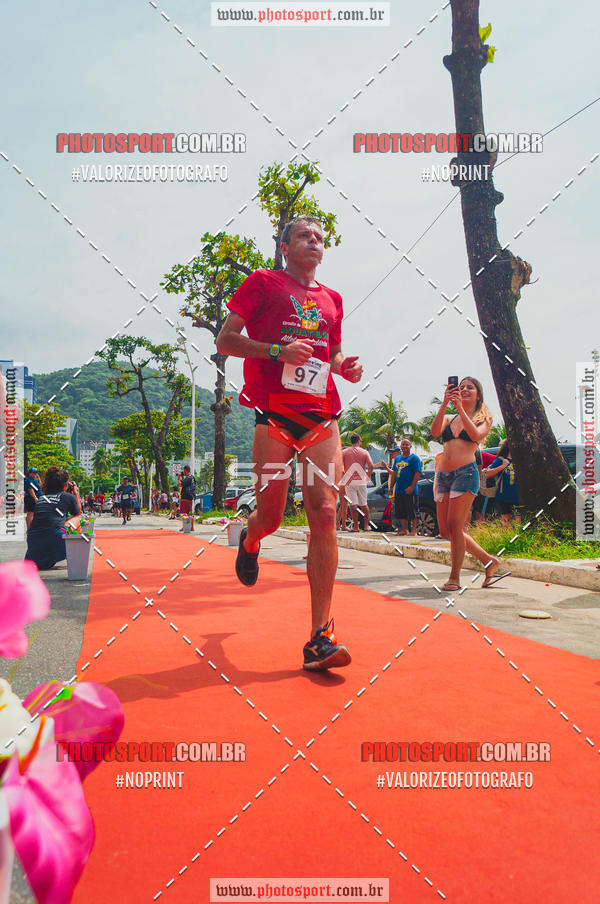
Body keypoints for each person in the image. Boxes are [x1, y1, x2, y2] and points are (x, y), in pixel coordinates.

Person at [216, 215, 363, 670]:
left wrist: (343, 365)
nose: (314, 242)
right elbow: (226, 340)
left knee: (323, 512)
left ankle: (320, 636)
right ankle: (251, 538)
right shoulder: (262, 283)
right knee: (274, 517)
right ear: (284, 246)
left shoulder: (332, 299)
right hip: (273, 416)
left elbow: (331, 350)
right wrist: (277, 351)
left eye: (320, 238)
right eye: (305, 235)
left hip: (321, 416)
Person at [430, 377, 511, 591]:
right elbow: (435, 432)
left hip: (465, 474)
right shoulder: (450, 416)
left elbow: (475, 435)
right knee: (446, 531)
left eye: (470, 387)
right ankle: (488, 560)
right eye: (462, 386)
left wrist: (460, 408)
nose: (465, 389)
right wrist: (446, 403)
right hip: (443, 476)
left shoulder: (483, 417)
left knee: (456, 527)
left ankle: (455, 578)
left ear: (478, 394)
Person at [25, 467, 81, 569]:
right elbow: (78, 513)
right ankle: (74, 556)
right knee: (80, 519)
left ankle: (47, 555)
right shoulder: (68, 497)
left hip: (33, 547)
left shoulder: (41, 499)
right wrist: (76, 494)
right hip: (55, 540)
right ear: (65, 485)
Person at [378, 438, 422, 536]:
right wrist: (391, 487)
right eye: (403, 444)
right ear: (401, 446)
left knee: (413, 511)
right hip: (399, 490)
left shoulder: (414, 458)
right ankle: (404, 529)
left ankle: (414, 530)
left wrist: (412, 486)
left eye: (407, 445)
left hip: (411, 491)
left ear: (410, 446)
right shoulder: (398, 459)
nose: (405, 446)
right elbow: (393, 473)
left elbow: (417, 473)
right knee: (400, 511)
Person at [340, 434, 373, 531]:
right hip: (361, 481)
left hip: (350, 482)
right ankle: (366, 526)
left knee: (353, 505)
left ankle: (355, 527)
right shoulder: (365, 452)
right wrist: (368, 476)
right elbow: (371, 465)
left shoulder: (344, 452)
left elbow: (341, 469)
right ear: (359, 441)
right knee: (363, 504)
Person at [489, 440, 519, 526]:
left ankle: (518, 538)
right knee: (506, 521)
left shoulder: (520, 460)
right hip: (504, 496)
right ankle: (507, 538)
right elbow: (488, 473)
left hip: (518, 496)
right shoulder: (501, 460)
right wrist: (502, 466)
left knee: (519, 521)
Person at [24, 467, 42, 531]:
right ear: (30, 473)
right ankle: (29, 528)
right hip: (30, 498)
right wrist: (35, 498)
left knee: (34, 513)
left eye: (36, 472)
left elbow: (41, 486)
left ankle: (32, 527)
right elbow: (30, 489)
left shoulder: (35, 480)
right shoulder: (29, 479)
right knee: (31, 513)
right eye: (34, 473)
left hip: (35, 498)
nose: (35, 474)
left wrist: (39, 478)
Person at [179, 465, 196, 531]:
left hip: (185, 497)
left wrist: (178, 478)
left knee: (184, 513)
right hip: (190, 497)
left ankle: (184, 527)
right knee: (190, 512)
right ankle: (192, 527)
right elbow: (185, 484)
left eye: (184, 471)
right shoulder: (192, 478)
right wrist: (183, 477)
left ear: (186, 470)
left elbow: (181, 484)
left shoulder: (188, 478)